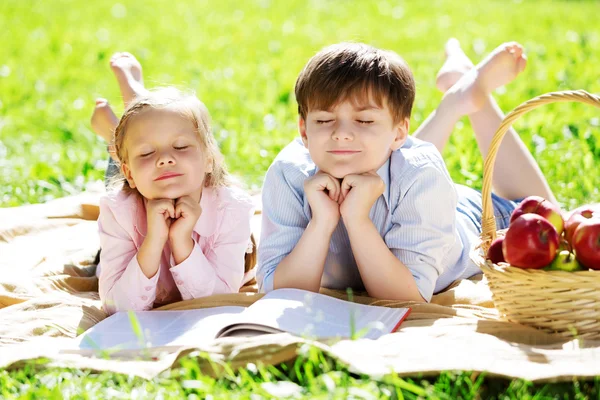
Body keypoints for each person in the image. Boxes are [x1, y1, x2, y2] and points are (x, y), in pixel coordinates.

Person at [257, 39, 556, 303]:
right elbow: (277, 289)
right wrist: (321, 222)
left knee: (551, 213)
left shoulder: (422, 174)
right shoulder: (290, 174)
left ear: (402, 132)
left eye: (363, 121)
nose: (341, 134)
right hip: (402, 177)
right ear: (304, 131)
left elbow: (407, 296)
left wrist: (357, 219)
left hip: (465, 217)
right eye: (323, 120)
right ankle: (456, 97)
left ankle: (465, 96)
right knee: (387, 154)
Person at [94, 61, 255, 314]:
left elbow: (219, 302)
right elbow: (117, 307)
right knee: (139, 139)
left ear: (209, 159)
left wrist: (181, 242)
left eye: (180, 147)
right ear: (130, 175)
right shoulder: (118, 209)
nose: (165, 158)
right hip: (135, 188)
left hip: (150, 177)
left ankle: (120, 124)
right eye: (147, 152)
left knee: (144, 131)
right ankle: (118, 132)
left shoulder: (233, 208)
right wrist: (154, 240)